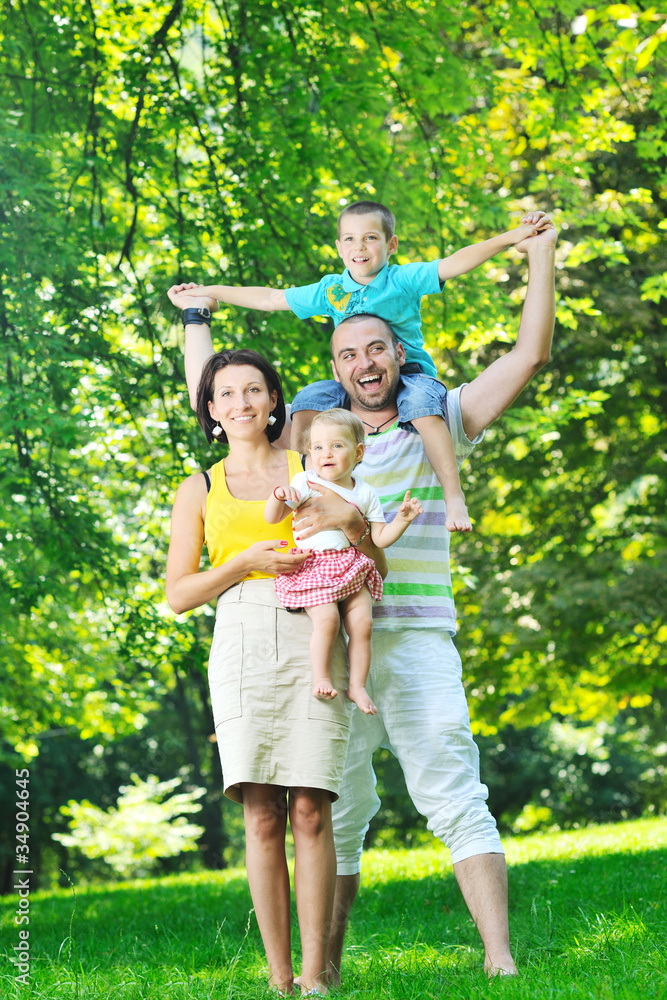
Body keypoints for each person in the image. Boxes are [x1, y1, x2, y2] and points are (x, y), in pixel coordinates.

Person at [171, 211, 557, 979]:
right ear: (333, 366)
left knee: (454, 791)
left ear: (399, 353)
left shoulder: (438, 417)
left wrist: (539, 256)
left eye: (376, 348)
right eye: (347, 352)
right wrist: (196, 319)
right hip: (322, 646)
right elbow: (223, 403)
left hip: (413, 638)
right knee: (334, 816)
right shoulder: (308, 441)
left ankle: (500, 962)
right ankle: (325, 975)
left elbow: (527, 354)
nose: (364, 362)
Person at [164, 332, 386, 996]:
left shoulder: (313, 461)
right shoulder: (199, 487)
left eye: (253, 390)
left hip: (316, 627)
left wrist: (356, 526)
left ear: (272, 401)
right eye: (226, 394)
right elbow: (178, 594)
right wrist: (243, 562)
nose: (241, 403)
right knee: (260, 811)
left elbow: (374, 555)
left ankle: (315, 977)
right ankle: (278, 978)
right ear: (210, 409)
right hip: (240, 636)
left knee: (312, 805)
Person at [177, 202, 550, 534]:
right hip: (329, 584)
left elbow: (455, 265)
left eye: (370, 238)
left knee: (421, 406)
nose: (360, 248)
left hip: (415, 378)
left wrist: (518, 239)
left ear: (391, 245)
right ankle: (309, 484)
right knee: (308, 398)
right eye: (350, 240)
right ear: (339, 247)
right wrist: (205, 297)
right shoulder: (332, 292)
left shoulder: (401, 282)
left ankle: (455, 496)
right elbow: (270, 300)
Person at [266, 408, 423, 715]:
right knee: (328, 620)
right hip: (315, 566)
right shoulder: (305, 480)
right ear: (310, 453)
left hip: (350, 565)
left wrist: (403, 520)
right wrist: (278, 495)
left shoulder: (365, 492)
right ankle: (321, 678)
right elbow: (273, 517)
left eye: (337, 445)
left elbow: (379, 539)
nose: (326, 453)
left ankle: (357, 686)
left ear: (358, 452)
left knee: (363, 623)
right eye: (318, 447)